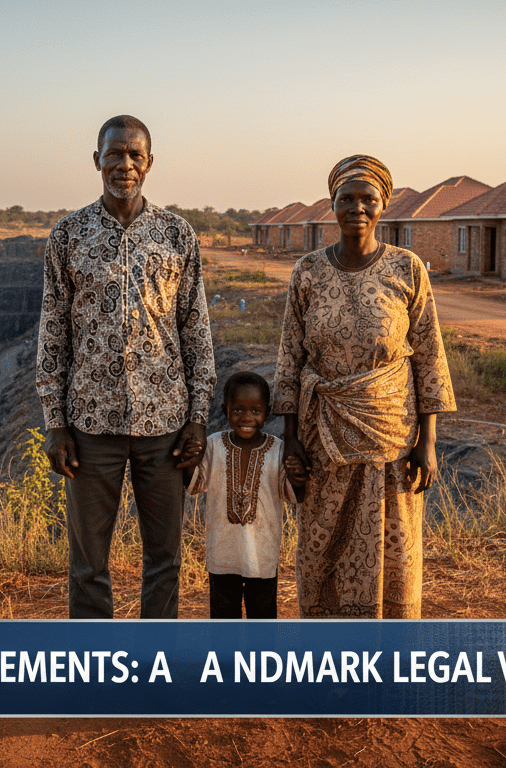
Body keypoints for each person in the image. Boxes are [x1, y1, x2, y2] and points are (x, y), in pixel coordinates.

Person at [36, 115, 216, 619]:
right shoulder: (68, 235)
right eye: (115, 154)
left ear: (150, 163)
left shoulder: (178, 235)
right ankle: (95, 669)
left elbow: (196, 331)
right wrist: (56, 424)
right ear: (97, 160)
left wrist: (198, 419)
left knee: (165, 558)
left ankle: (154, 668)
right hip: (90, 426)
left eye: (135, 155)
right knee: (88, 562)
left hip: (165, 425)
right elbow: (53, 335)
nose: (125, 164)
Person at [272, 155, 456, 619]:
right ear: (331, 204)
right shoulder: (308, 271)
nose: (357, 207)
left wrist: (428, 441)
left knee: (392, 543)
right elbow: (290, 355)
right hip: (323, 436)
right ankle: (329, 657)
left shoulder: (407, 268)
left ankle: (388, 655)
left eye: (367, 199)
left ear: (383, 205)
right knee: (322, 544)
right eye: (346, 198)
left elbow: (429, 353)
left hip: (392, 436)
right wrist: (291, 439)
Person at [185, 371, 306, 619]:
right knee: (222, 619)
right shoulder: (214, 445)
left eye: (255, 410)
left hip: (262, 557)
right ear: (225, 409)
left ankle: (260, 659)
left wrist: (297, 474)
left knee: (262, 619)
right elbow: (194, 484)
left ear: (267, 411)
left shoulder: (278, 449)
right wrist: (190, 457)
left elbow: (295, 495)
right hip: (222, 556)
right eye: (238, 410)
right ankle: (225, 659)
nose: (246, 418)